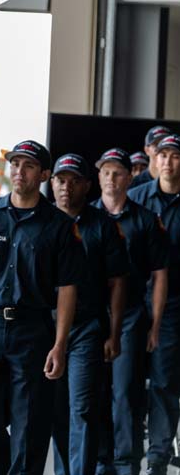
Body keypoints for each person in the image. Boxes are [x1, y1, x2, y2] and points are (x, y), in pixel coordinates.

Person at [0, 140, 85, 475]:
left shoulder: (58, 225)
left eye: (28, 166)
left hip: (33, 332)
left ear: (43, 174)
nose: (19, 171)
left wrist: (60, 344)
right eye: (15, 164)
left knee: (30, 424)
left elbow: (68, 289)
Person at [48, 153, 129, 475]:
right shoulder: (43, 221)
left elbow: (118, 282)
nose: (66, 187)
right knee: (56, 410)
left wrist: (114, 332)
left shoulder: (103, 226)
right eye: (60, 180)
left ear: (86, 185)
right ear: (51, 183)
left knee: (82, 408)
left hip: (87, 329)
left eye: (74, 181)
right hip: (46, 329)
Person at [92, 148, 168, 475]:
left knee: (125, 394)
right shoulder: (86, 216)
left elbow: (160, 273)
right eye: (105, 172)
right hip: (92, 317)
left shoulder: (145, 219)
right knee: (94, 392)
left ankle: (125, 464)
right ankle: (100, 460)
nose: (111, 178)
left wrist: (155, 326)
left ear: (130, 177)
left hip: (132, 317)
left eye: (118, 172)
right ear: (98, 177)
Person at [128, 134, 180, 475]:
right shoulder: (136, 198)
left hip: (175, 303)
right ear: (153, 159)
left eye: (175, 156)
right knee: (126, 381)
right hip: (131, 302)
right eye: (163, 155)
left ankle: (158, 457)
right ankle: (128, 453)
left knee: (164, 381)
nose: (168, 162)